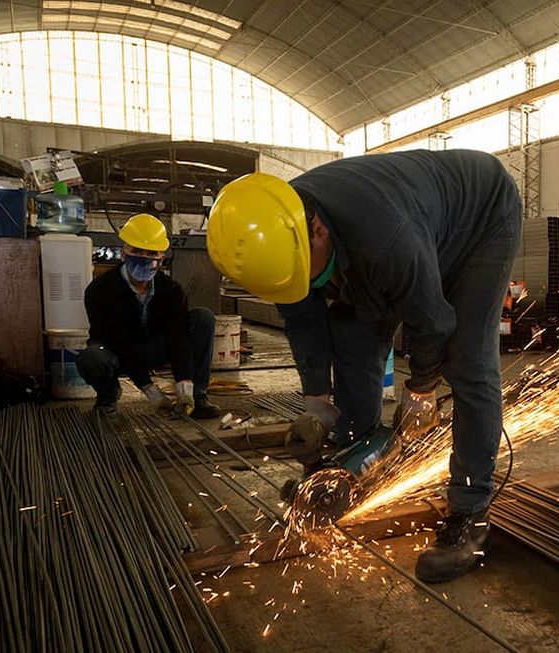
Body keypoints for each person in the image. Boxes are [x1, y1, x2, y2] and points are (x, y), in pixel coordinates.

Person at [206, 150, 521, 583]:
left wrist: (421, 392)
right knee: (353, 341)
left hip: (479, 221)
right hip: (400, 230)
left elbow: (433, 322)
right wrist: (316, 400)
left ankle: (471, 511)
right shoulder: (280, 236)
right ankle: (351, 470)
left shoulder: (387, 241)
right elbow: (302, 319)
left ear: (317, 232)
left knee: (466, 357)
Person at [76, 213, 222, 419]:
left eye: (151, 253)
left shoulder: (170, 290)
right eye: (136, 251)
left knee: (203, 317)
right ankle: (107, 395)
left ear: (161, 258)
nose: (144, 258)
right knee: (92, 357)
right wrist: (151, 392)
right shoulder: (100, 290)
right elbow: (119, 341)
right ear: (123, 253)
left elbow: (177, 337)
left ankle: (198, 397)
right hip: (117, 353)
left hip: (155, 348)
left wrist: (184, 388)